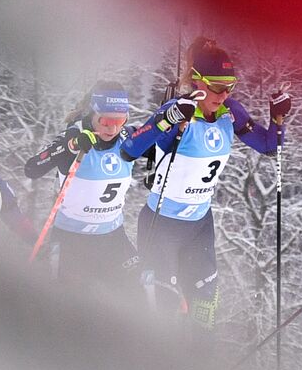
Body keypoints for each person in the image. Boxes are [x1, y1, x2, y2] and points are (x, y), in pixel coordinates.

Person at [122, 37, 292, 331]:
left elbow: (268, 146)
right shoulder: (178, 110)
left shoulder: (231, 112)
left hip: (200, 224)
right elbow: (130, 150)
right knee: (163, 313)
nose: (223, 95)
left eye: (230, 87)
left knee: (204, 310)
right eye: (216, 87)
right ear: (197, 81)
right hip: (162, 225)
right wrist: (167, 120)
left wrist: (278, 119)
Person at [23, 81, 141, 304]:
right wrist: (72, 146)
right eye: (106, 121)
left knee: (140, 292)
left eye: (120, 121)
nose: (112, 129)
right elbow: (32, 168)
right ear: (93, 113)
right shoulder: (74, 135)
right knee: (74, 305)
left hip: (113, 237)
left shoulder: (128, 139)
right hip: (73, 239)